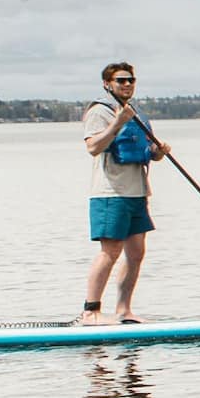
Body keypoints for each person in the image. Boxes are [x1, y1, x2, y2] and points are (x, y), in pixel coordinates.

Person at [81, 62, 171, 324]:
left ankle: (124, 310)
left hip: (137, 193)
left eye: (131, 80)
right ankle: (91, 311)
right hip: (110, 193)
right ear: (107, 84)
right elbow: (93, 147)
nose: (127, 84)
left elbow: (147, 153)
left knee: (136, 253)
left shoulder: (137, 113)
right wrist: (118, 123)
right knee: (110, 251)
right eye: (121, 80)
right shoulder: (100, 112)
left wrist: (159, 152)